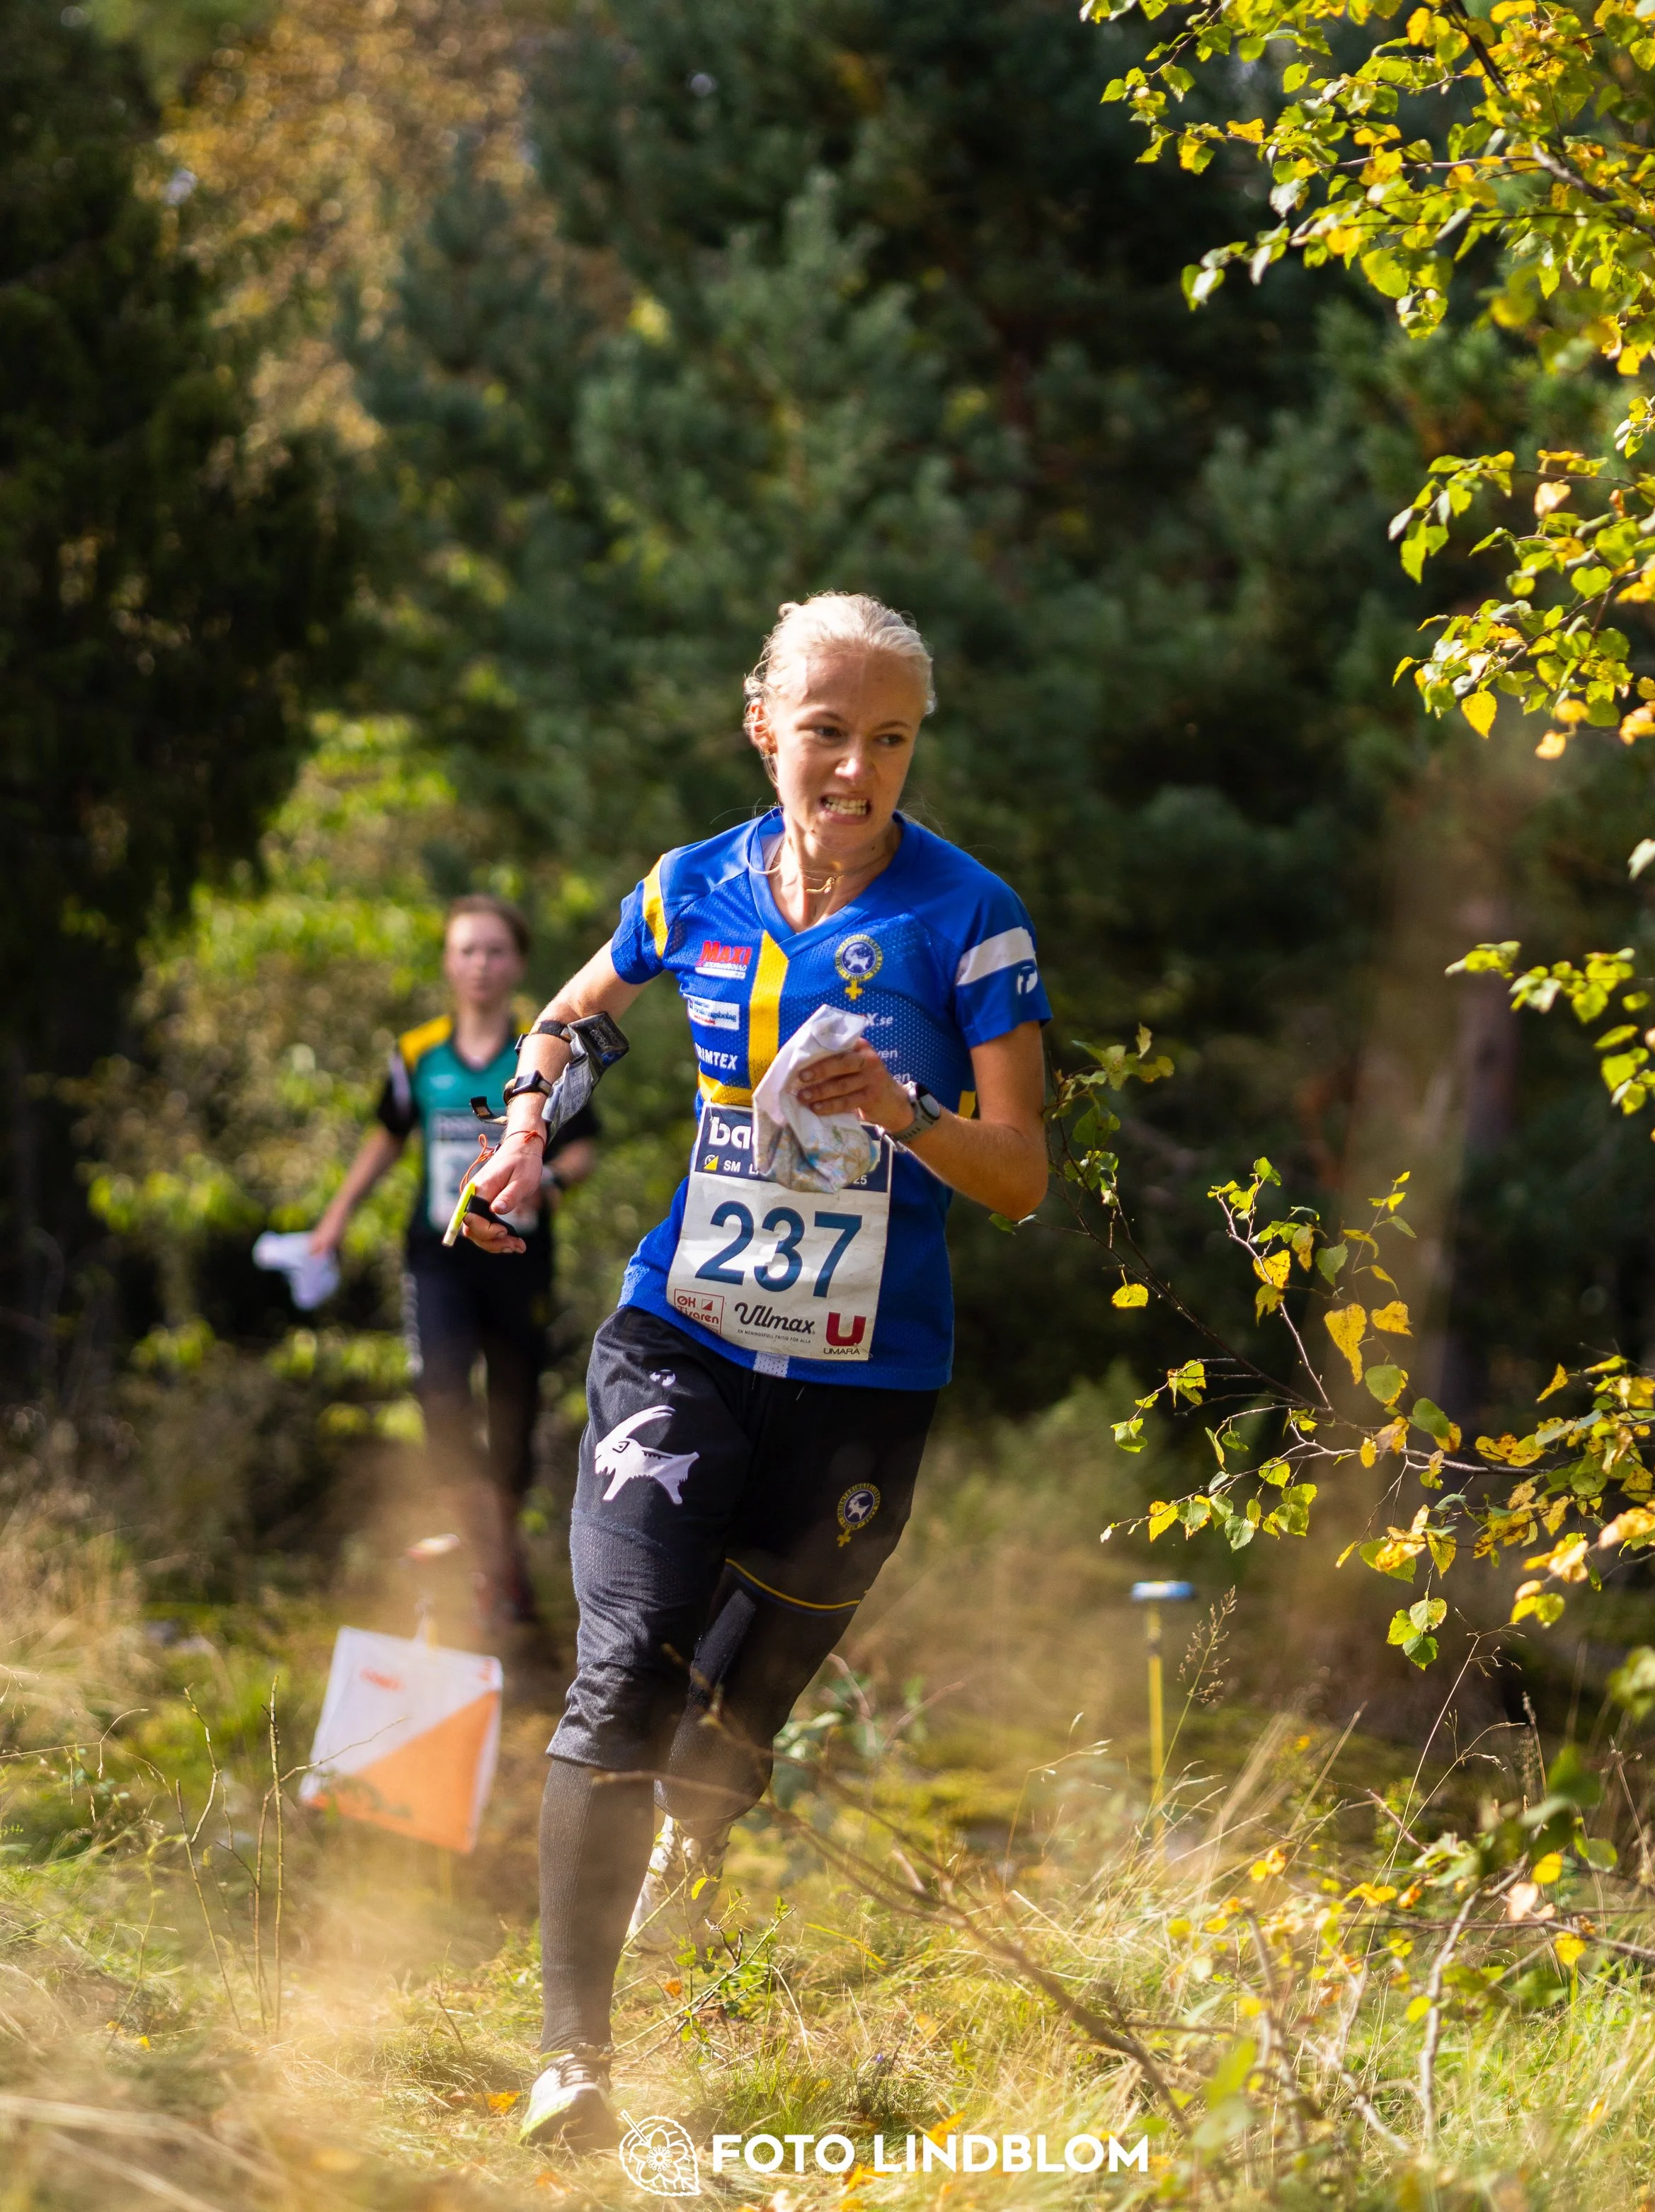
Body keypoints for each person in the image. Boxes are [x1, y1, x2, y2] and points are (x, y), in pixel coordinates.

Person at [462, 595, 1050, 2151]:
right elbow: (575, 1009)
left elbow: (1019, 1176)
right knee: (628, 1655)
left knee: (742, 1715)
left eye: (891, 737)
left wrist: (909, 1111)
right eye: (825, 731)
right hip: (686, 1333)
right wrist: (525, 1122)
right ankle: (573, 2053)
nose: (857, 766)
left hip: (865, 1379)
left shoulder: (967, 917)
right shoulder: (694, 881)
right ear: (763, 730)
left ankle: (692, 1859)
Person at [309, 894, 597, 1625]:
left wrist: (552, 1182)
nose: (481, 964)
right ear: (447, 959)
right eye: (467, 949)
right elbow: (385, 1138)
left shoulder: (541, 1052)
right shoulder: (417, 1054)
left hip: (520, 1255)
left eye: (496, 950)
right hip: (437, 1255)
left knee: (512, 1410)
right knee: (440, 1397)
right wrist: (334, 1219)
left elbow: (584, 1143)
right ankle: (493, 1564)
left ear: (519, 963)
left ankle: (502, 1574)